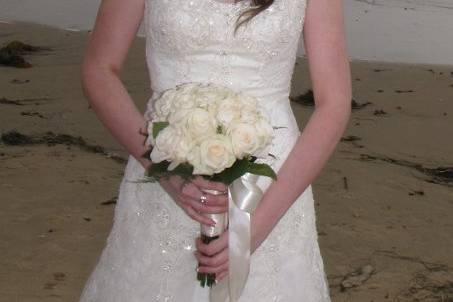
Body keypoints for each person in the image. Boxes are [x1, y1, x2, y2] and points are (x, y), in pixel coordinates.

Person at [78, 0, 351, 300]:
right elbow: (100, 69)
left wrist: (255, 228)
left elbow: (334, 102)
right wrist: (164, 170)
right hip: (165, 164)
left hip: (273, 183)